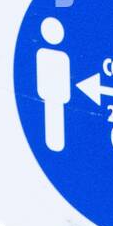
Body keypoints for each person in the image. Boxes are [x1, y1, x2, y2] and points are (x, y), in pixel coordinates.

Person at [36, 17, 71, 152]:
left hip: (57, 96)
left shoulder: (61, 57)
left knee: (56, 130)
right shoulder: (44, 54)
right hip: (50, 97)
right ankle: (55, 147)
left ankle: (56, 146)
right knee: (53, 131)